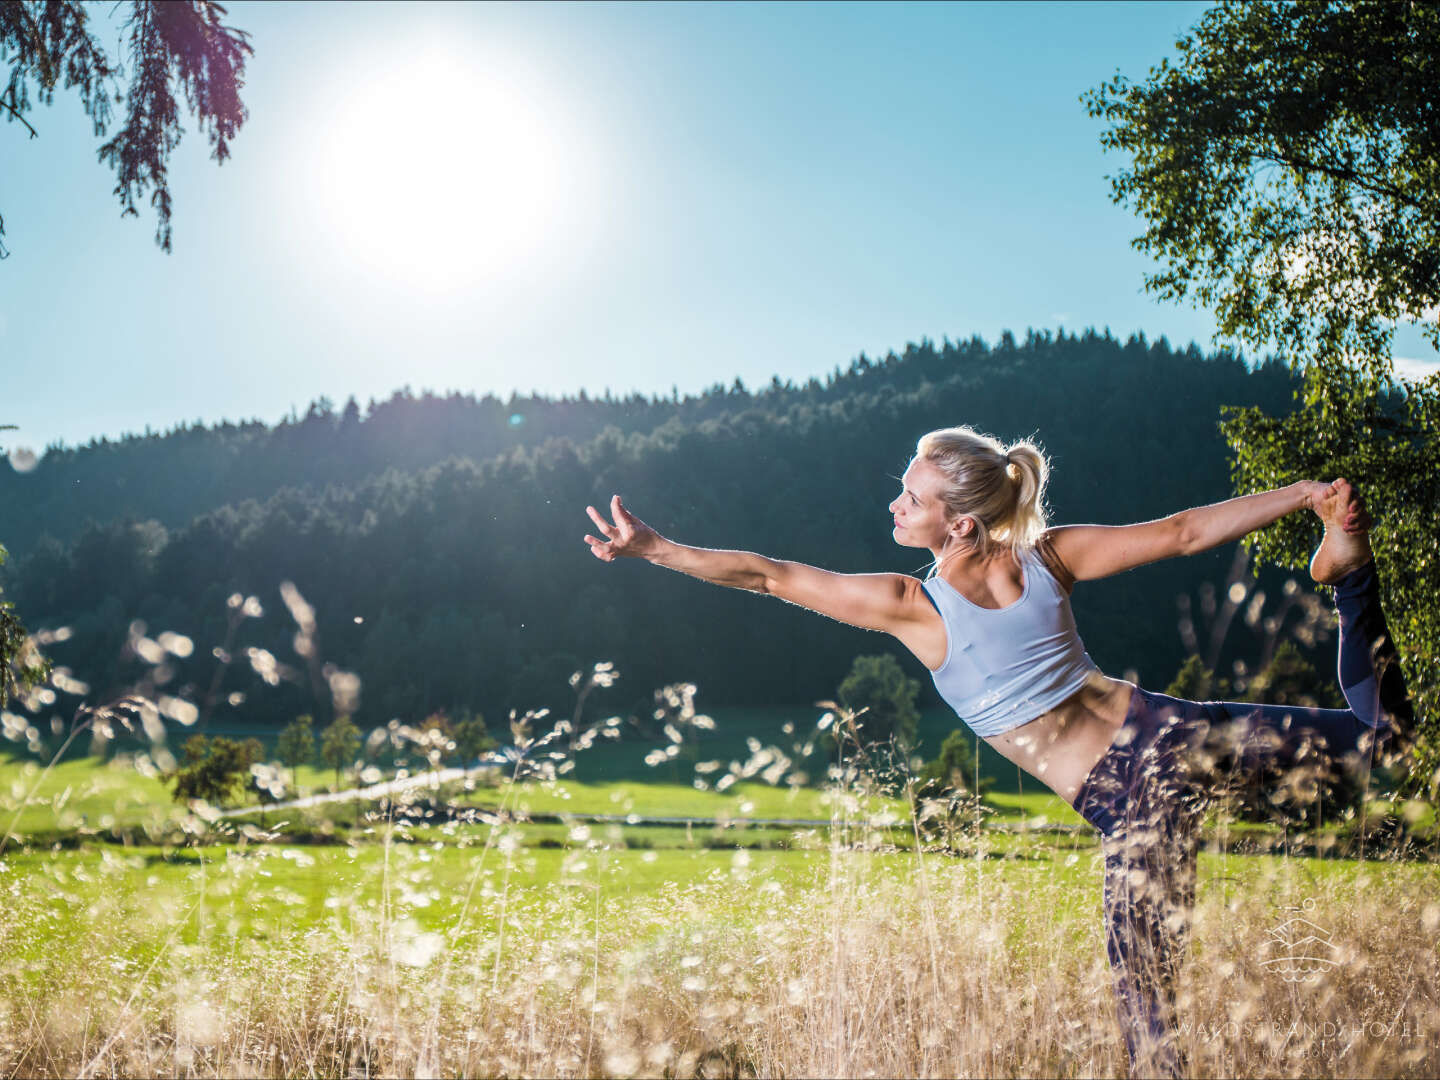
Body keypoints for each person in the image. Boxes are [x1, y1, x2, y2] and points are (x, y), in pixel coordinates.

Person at [581, 425, 1415, 1078]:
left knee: (1150, 1026)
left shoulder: (916, 608)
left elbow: (768, 576)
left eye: (911, 499)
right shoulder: (1048, 560)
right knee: (1389, 745)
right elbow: (1187, 531)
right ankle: (1347, 575)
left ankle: (1343, 568)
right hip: (1175, 733)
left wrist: (656, 550)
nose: (895, 509)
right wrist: (1303, 493)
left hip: (1134, 795)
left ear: (961, 521)